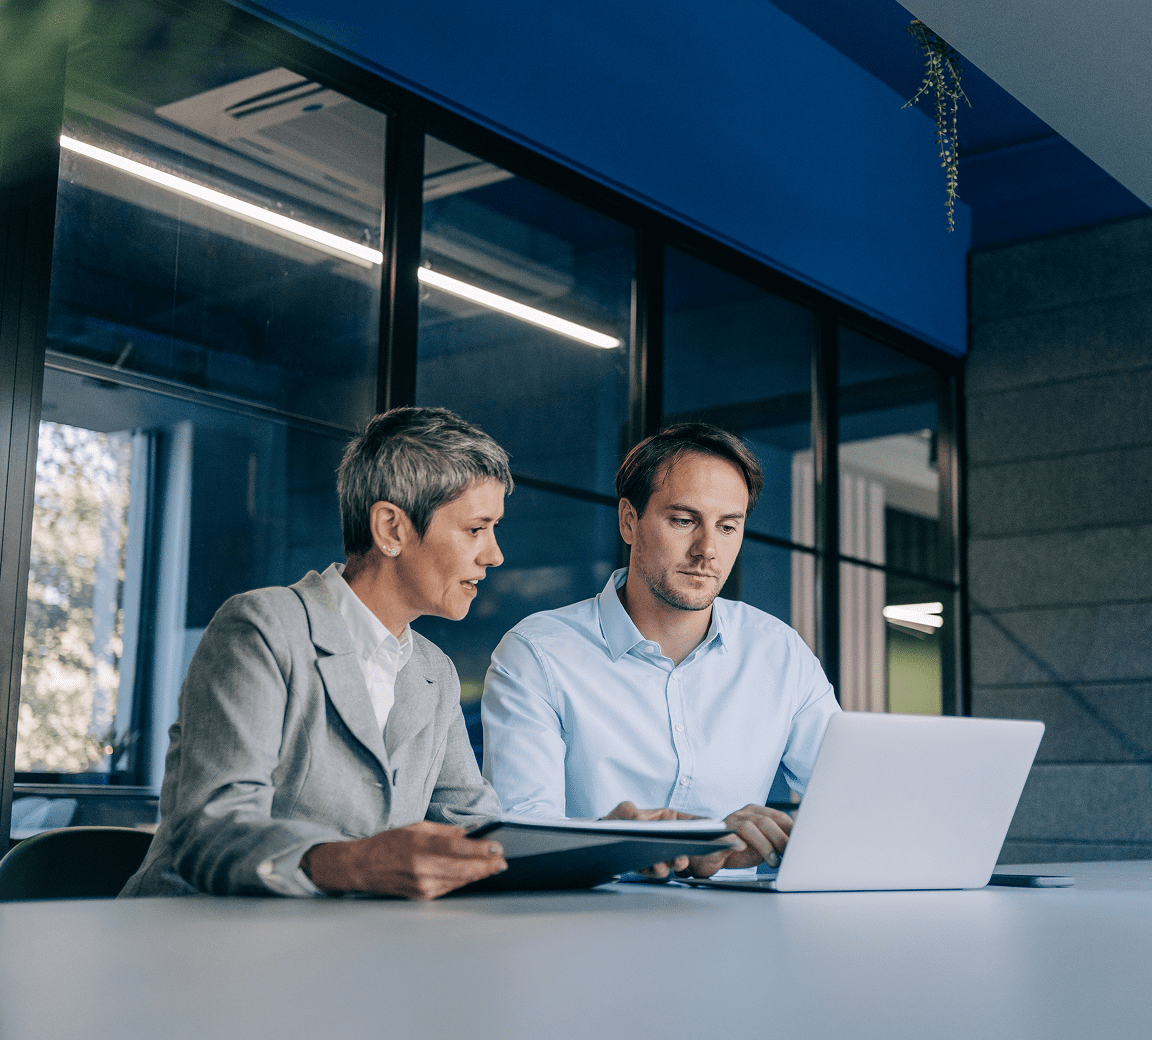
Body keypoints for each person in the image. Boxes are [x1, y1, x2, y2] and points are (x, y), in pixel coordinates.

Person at [122, 407, 514, 900]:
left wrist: (605, 843)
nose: (494, 555)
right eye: (476, 530)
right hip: (207, 949)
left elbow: (478, 830)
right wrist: (356, 862)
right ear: (391, 529)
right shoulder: (262, 629)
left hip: (350, 952)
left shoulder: (434, 670)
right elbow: (211, 830)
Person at [482, 423, 840, 877]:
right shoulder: (537, 653)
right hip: (586, 928)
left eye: (728, 527)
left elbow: (853, 804)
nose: (707, 550)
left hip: (741, 934)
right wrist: (646, 844)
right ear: (629, 521)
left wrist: (779, 840)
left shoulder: (779, 652)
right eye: (683, 521)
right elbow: (522, 842)